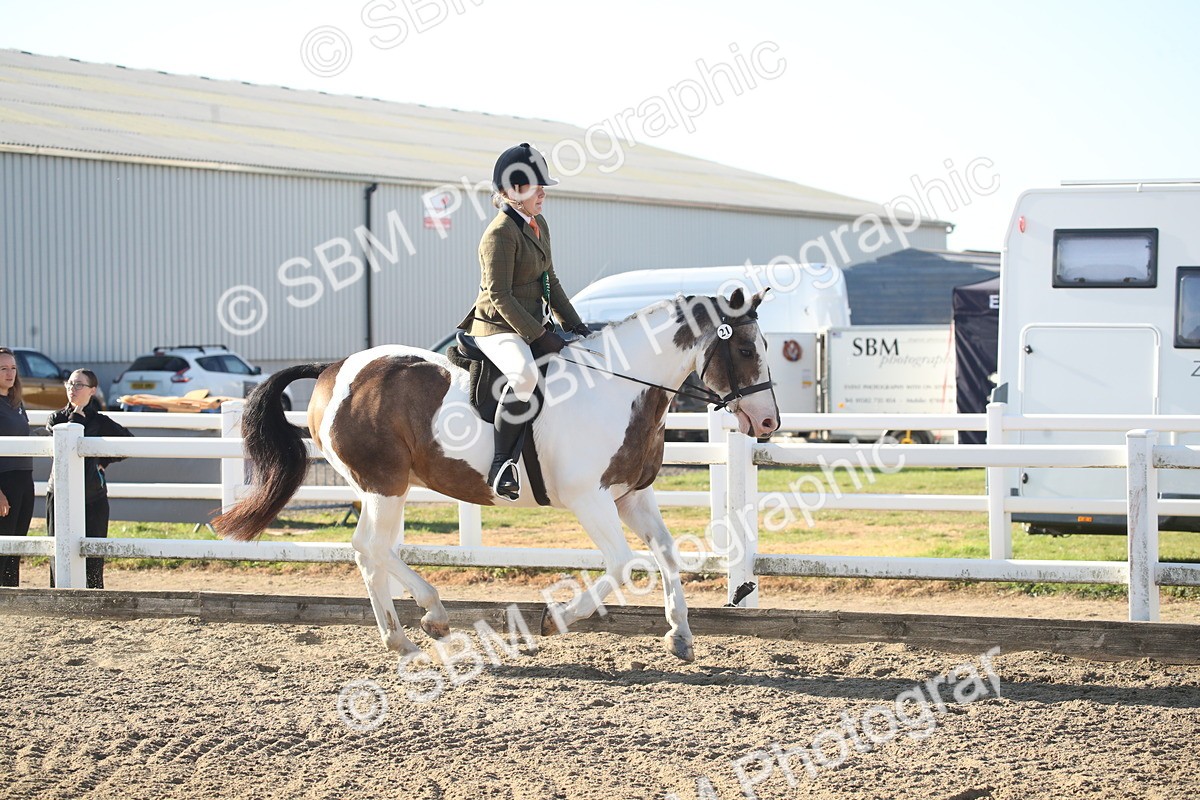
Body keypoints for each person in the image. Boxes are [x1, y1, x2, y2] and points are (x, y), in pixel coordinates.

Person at [458, 143, 590, 500]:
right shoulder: (499, 234)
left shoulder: (538, 224)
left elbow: (551, 281)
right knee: (525, 375)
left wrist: (576, 325)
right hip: (495, 327)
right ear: (514, 191)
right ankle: (502, 464)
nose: (544, 193)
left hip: (528, 323)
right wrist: (540, 336)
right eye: (537, 186)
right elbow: (500, 296)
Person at [45, 369, 132, 589]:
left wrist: (102, 461)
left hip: (92, 496)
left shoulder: (100, 421)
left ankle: (94, 594)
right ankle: (59, 595)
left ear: (92, 390)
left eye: (79, 385)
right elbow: (64, 437)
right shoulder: (57, 418)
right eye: (70, 384)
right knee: (59, 550)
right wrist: (76, 416)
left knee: (93, 552)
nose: (72, 389)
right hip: (60, 495)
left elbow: (127, 442)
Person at [0, 347, 34, 586]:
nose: (9, 373)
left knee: (17, 543)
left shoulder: (16, 403)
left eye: (13, 368)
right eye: (3, 368)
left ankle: (13, 597)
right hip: (5, 481)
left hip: (24, 479)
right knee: (3, 543)